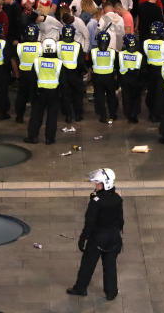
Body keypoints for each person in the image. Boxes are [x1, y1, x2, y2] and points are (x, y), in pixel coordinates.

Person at [67, 168, 124, 301]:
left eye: (98, 183)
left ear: (105, 183)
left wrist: (83, 238)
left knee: (87, 264)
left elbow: (90, 222)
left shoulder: (96, 201)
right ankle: (111, 292)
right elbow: (121, 220)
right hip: (114, 238)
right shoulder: (118, 198)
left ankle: (80, 288)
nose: (96, 186)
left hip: (98, 239)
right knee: (110, 266)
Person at [25, 37, 61, 144]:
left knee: (36, 116)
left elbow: (32, 80)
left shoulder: (37, 61)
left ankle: (33, 137)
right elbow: (63, 81)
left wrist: (31, 96)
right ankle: (49, 139)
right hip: (54, 93)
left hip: (39, 93)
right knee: (52, 117)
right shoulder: (59, 62)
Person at [58, 24, 86, 122]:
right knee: (77, 95)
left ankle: (68, 116)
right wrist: (83, 71)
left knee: (65, 96)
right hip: (76, 74)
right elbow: (81, 62)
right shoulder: (78, 45)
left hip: (62, 74)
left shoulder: (58, 44)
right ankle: (78, 115)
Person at [15, 24, 41, 123]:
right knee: (35, 97)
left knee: (21, 96)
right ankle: (35, 118)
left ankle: (19, 117)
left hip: (24, 74)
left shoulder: (20, 46)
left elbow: (17, 59)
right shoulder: (40, 46)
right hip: (35, 75)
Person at [142, 21, 164, 120]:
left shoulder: (145, 42)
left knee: (151, 92)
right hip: (161, 71)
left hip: (150, 71)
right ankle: (156, 115)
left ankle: (151, 111)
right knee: (159, 94)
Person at [90, 31, 116, 122]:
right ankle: (112, 115)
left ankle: (103, 116)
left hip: (97, 78)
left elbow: (90, 64)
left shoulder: (93, 52)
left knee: (100, 97)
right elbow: (116, 65)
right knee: (111, 97)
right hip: (109, 78)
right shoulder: (113, 52)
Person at [117, 34, 144, 123]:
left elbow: (118, 67)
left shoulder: (121, 54)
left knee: (126, 98)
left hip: (125, 79)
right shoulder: (139, 55)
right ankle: (134, 115)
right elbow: (143, 69)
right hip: (136, 78)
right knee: (136, 98)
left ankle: (129, 114)